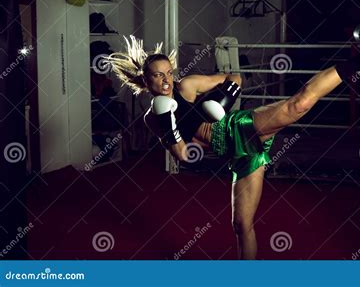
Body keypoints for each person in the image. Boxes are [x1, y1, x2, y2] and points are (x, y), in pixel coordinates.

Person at [109, 36, 346, 259]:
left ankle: (358, 61)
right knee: (241, 224)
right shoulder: (152, 119)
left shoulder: (187, 86)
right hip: (238, 155)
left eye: (169, 73)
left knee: (297, 105)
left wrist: (222, 100)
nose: (166, 81)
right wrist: (167, 119)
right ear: (146, 79)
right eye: (158, 76)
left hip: (237, 128)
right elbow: (181, 153)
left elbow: (235, 78)